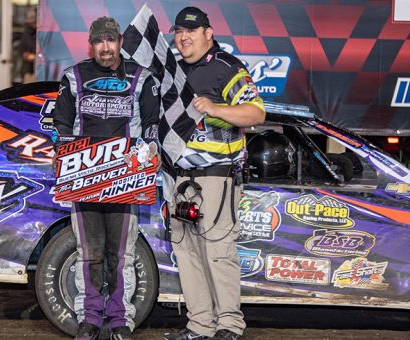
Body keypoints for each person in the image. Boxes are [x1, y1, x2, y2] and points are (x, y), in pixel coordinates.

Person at [52, 16, 160, 340]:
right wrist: (68, 158)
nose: (105, 47)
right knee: (91, 253)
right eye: (98, 41)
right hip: (84, 183)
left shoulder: (142, 79)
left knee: (122, 255)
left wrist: (147, 154)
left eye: (110, 40)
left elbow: (153, 127)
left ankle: (119, 321)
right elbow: (60, 128)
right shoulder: (74, 77)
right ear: (91, 44)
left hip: (127, 184)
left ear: (119, 43)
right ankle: (89, 319)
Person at [162, 6, 265, 340]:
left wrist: (214, 107)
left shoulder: (226, 67)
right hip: (178, 177)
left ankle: (229, 327)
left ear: (209, 32)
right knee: (187, 255)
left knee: (218, 253)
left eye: (191, 31)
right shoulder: (172, 70)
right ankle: (199, 327)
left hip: (216, 176)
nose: (183, 37)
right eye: (179, 31)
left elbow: (255, 113)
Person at [20, 8, 37, 83]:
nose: (32, 24)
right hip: (29, 70)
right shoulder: (26, 33)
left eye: (33, 22)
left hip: (40, 69)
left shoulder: (41, 33)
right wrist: (27, 56)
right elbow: (22, 51)